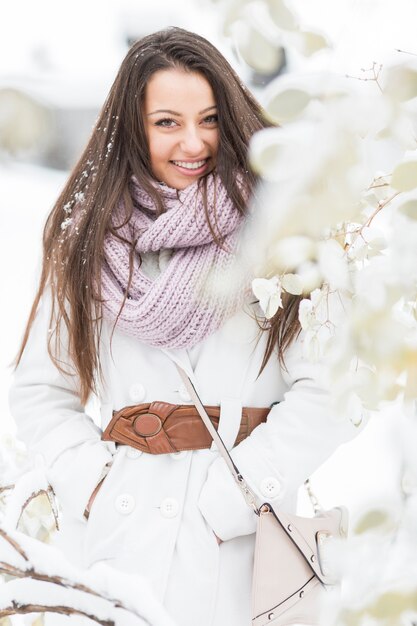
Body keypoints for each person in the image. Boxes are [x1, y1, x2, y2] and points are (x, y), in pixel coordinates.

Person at [9, 27, 364, 626]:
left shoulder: (283, 228)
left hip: (248, 543)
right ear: (133, 127)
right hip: (119, 534)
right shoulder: (89, 239)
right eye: (167, 122)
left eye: (209, 119)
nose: (193, 142)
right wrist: (91, 484)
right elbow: (42, 391)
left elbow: (334, 389)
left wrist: (236, 497)